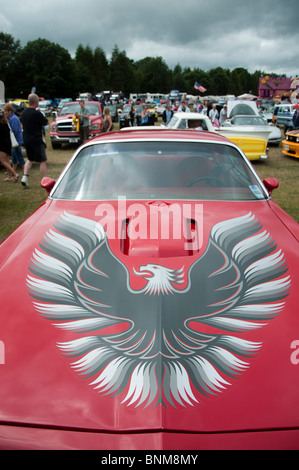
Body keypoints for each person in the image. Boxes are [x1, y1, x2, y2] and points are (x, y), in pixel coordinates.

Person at [20, 93, 48, 187]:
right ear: (36, 102)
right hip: (36, 139)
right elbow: (46, 122)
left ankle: (25, 177)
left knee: (30, 159)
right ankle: (45, 180)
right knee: (42, 160)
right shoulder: (37, 113)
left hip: (26, 139)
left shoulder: (23, 113)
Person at [3, 103, 25, 174]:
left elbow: (14, 130)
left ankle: (24, 173)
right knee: (14, 158)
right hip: (14, 142)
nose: (5, 113)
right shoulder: (11, 118)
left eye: (5, 111)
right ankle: (13, 171)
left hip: (16, 141)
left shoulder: (13, 119)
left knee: (19, 158)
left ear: (9, 111)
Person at [0, 109, 19, 182]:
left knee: (2, 160)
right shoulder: (6, 124)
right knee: (7, 161)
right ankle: (9, 176)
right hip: (8, 144)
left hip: (2, 145)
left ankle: (15, 174)